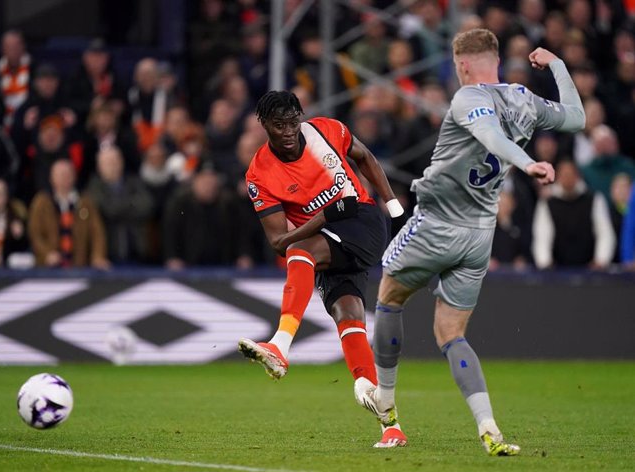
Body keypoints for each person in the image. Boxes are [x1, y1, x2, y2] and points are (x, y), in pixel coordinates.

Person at [357, 29, 585, 454]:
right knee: (450, 334)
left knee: (389, 298)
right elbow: (577, 118)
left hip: (437, 221)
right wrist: (557, 65)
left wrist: (528, 162)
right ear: (495, 59)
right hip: (479, 234)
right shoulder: (523, 100)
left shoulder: (466, 98)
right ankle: (489, 428)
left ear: (462, 64)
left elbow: (490, 138)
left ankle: (385, 403)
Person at [237, 91, 406, 441]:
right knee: (348, 313)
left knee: (303, 249)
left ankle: (280, 346)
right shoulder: (260, 175)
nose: (287, 132)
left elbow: (365, 156)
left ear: (301, 117)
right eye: (278, 126)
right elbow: (277, 243)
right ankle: (390, 424)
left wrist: (391, 203)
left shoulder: (327, 131)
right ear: (263, 126)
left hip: (362, 220)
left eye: (292, 123)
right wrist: (323, 217)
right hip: (327, 237)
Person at [532, 160, 615, 270]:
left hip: (590, 269)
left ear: (577, 176)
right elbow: (542, 235)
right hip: (556, 270)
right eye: (564, 175)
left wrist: (601, 260)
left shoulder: (594, 199)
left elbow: (604, 232)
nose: (567, 178)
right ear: (558, 177)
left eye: (571, 175)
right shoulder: (547, 203)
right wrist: (545, 262)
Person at [28, 159, 109, 269]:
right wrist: (46, 254)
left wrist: (97, 257)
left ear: (74, 176)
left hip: (79, 265)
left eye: (68, 174)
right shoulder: (41, 202)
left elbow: (97, 232)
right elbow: (35, 233)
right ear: (52, 178)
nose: (64, 178)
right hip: (48, 268)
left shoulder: (85, 202)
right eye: (60, 175)